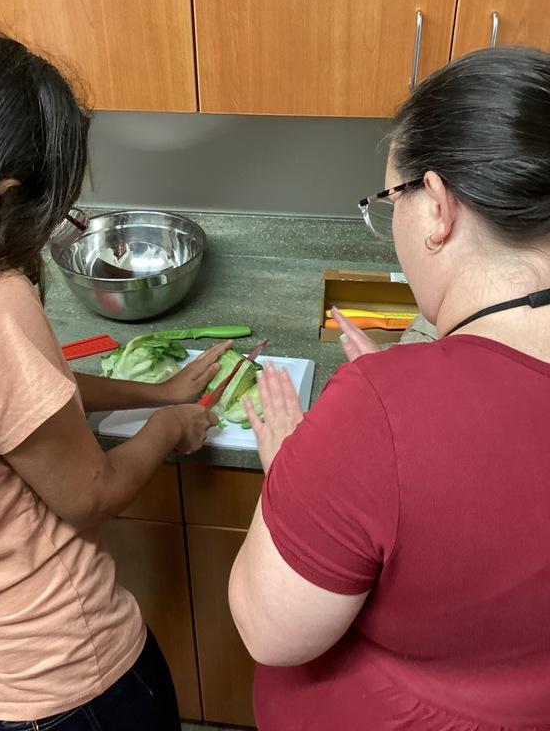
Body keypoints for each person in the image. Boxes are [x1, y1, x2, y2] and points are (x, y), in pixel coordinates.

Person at [230, 45, 550, 730]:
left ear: (437, 207)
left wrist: (300, 462)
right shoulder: (391, 408)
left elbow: (270, 630)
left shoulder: (379, 411)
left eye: (391, 198)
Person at [0, 28, 228, 729]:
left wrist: (154, 391)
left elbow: (12, 404)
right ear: (2, 197)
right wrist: (170, 427)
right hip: (64, 676)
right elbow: (88, 495)